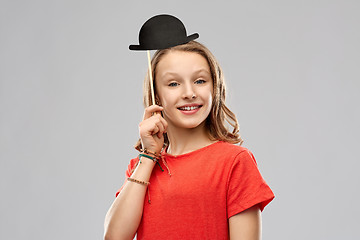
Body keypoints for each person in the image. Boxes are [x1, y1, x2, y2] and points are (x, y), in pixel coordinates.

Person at [104, 41, 275, 240]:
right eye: (173, 84)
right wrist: (149, 155)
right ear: (157, 95)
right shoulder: (141, 166)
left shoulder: (235, 162)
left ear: (215, 88)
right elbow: (114, 237)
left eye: (200, 81)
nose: (189, 93)